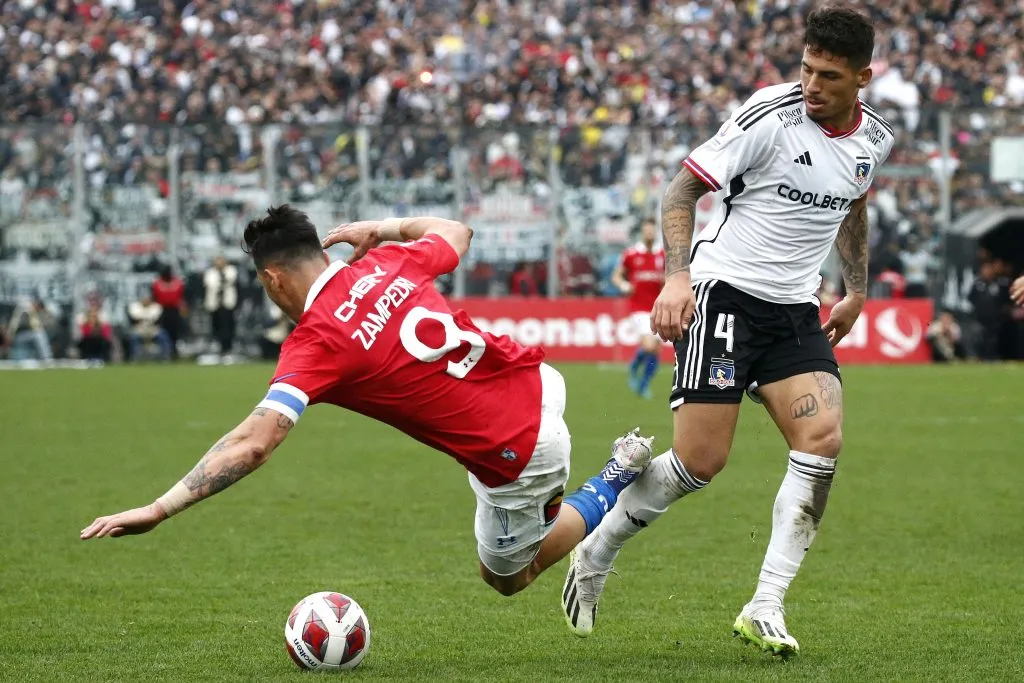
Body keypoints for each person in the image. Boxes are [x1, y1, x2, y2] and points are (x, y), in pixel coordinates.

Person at [81, 206, 655, 602]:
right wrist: (384, 228)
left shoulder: (315, 342)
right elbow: (456, 230)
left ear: (273, 278)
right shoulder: (386, 261)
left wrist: (159, 508)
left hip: (517, 450)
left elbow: (254, 444)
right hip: (537, 381)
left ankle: (613, 481)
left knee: (508, 578)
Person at [560, 7, 892, 658]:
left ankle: (765, 603)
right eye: (806, 68)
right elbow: (681, 189)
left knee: (822, 439)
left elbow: (854, 203)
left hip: (795, 311)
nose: (812, 84)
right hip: (723, 295)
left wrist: (856, 288)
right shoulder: (770, 115)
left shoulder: (872, 140)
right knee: (700, 462)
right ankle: (597, 546)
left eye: (828, 75)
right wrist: (677, 277)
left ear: (863, 77)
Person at [612, 217, 666, 399]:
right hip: (639, 307)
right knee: (649, 346)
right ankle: (634, 367)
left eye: (652, 230)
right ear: (642, 232)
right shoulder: (631, 254)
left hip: (658, 307)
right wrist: (624, 286)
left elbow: (669, 278)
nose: (649, 233)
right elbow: (617, 276)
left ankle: (643, 385)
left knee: (657, 349)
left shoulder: (663, 254)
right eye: (646, 230)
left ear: (655, 231)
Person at [203, 256, 239, 357]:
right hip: (214, 305)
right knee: (216, 327)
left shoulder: (231, 271)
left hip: (228, 304)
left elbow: (233, 282)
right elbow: (208, 286)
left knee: (228, 328)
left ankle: (228, 349)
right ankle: (219, 348)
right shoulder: (210, 273)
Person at [152, 265, 186, 360]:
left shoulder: (177, 283)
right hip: (162, 310)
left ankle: (174, 350)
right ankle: (165, 351)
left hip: (174, 310)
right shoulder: (157, 283)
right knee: (163, 331)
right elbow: (156, 297)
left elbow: (180, 296)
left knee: (175, 331)